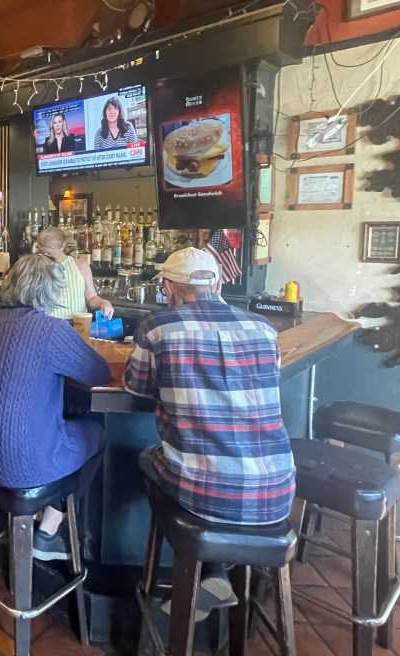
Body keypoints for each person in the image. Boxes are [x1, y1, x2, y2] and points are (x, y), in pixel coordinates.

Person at [123, 247, 295, 621]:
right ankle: (217, 572)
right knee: (220, 467)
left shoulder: (157, 326)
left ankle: (175, 578)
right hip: (277, 492)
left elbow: (135, 387)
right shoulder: (264, 328)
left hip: (203, 494)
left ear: (169, 287)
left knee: (144, 457)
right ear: (217, 283)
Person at [0, 253, 112, 561]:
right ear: (53, 291)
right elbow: (98, 373)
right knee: (97, 435)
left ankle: (38, 512)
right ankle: (49, 528)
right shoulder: (51, 329)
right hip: (16, 462)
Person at [36, 227, 113, 319]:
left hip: (77, 323)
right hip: (49, 323)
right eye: (41, 252)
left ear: (63, 246)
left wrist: (103, 302)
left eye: (49, 253)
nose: (44, 256)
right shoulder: (35, 266)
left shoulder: (80, 265)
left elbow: (91, 298)